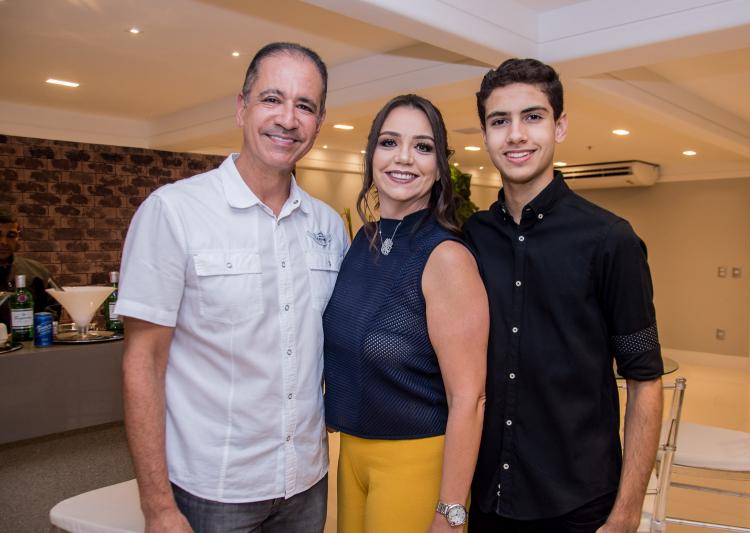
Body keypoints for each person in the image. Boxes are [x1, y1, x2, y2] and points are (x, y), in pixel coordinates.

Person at [116, 42, 348, 533]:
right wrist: (157, 508)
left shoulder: (329, 226)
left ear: (319, 122)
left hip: (307, 482)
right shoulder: (173, 212)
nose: (287, 119)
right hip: (213, 490)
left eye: (305, 106)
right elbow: (143, 362)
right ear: (242, 107)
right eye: (272, 99)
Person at [464, 58, 664, 532]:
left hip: (579, 503)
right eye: (500, 121)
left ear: (560, 126)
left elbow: (645, 381)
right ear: (485, 135)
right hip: (488, 498)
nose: (516, 135)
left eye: (532, 117)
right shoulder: (472, 237)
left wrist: (627, 513)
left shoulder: (610, 240)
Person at [323, 94, 489, 533]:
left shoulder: (446, 256)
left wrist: (451, 510)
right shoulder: (364, 241)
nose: (403, 158)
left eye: (422, 146)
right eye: (389, 142)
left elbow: (469, 398)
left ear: (439, 166)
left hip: (416, 462)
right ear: (371, 154)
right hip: (352, 456)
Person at [0, 208, 58, 328]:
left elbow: (54, 305)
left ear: (18, 237)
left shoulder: (37, 272)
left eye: (11, 235)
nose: (4, 242)